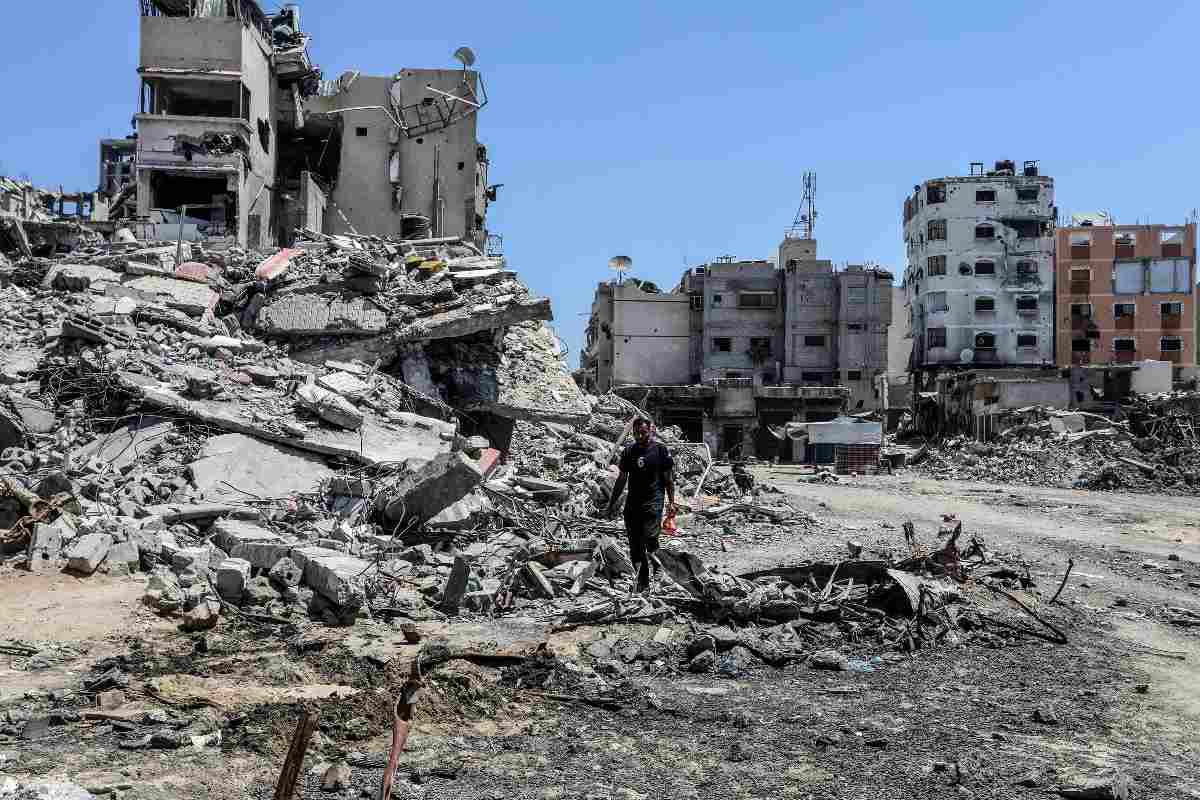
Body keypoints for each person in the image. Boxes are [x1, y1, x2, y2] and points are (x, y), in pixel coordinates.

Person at [605, 417, 677, 593]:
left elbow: (668, 479)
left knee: (650, 538)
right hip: (633, 504)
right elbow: (622, 479)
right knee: (635, 546)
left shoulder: (660, 450)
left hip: (654, 501)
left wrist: (671, 502)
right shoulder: (629, 451)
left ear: (651, 430)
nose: (639, 436)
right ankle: (642, 582)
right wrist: (611, 504)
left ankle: (658, 565)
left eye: (643, 432)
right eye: (636, 433)